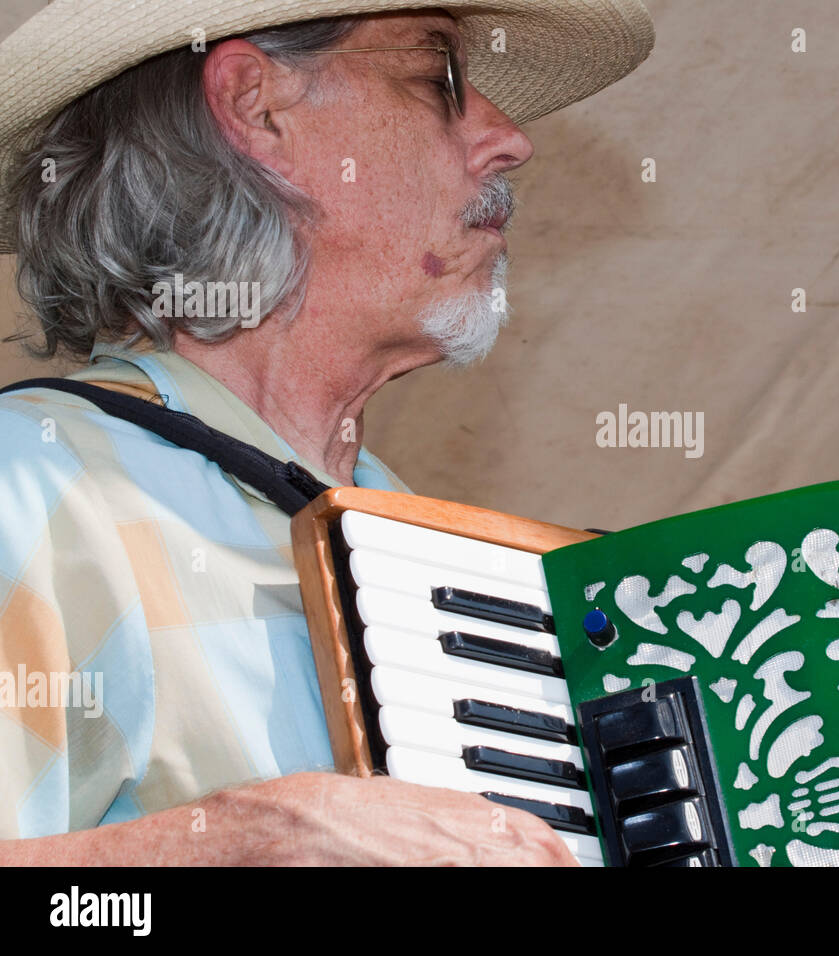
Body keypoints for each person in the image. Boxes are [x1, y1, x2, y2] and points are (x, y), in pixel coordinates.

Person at [0, 0, 654, 865]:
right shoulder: (36, 484)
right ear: (255, 105)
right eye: (438, 77)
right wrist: (231, 848)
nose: (509, 139)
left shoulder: (415, 542)